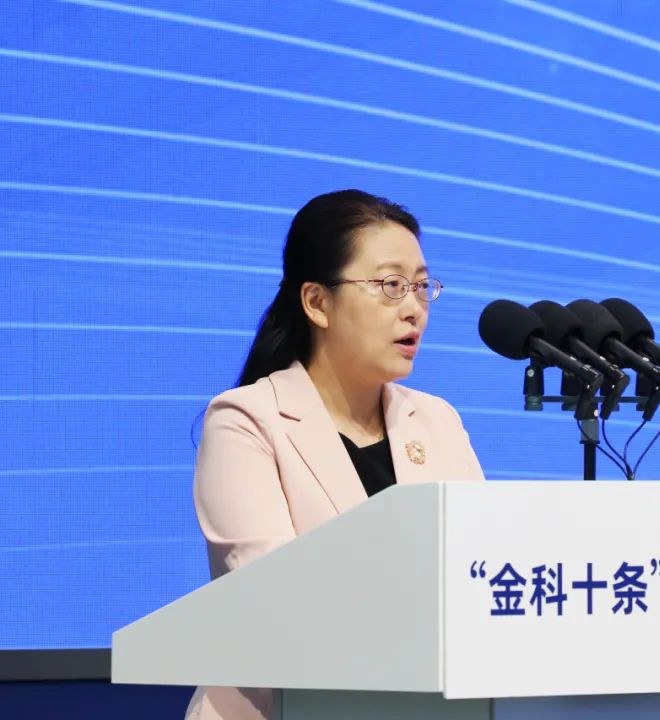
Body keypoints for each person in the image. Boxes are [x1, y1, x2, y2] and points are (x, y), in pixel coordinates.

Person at [184, 190, 485, 720]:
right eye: (390, 285)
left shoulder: (437, 421)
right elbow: (275, 599)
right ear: (316, 302)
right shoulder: (247, 420)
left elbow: (479, 574)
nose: (414, 308)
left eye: (421, 286)